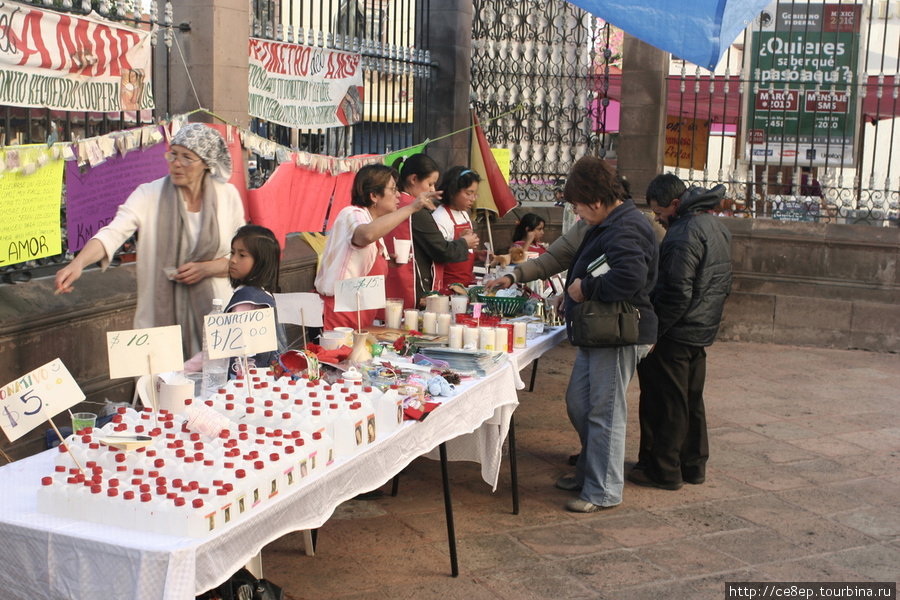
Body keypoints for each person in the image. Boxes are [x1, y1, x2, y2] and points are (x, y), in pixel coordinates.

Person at [54, 123, 245, 358]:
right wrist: (78, 263)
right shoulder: (149, 194)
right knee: (159, 388)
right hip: (158, 323)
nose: (176, 163)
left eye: (187, 158)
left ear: (206, 162)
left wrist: (206, 269)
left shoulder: (228, 198)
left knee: (215, 390)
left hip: (216, 323)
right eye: (173, 154)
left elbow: (242, 258)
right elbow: (113, 232)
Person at [554, 156, 658, 513]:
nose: (578, 213)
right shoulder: (613, 221)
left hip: (617, 331)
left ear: (596, 201)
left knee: (604, 411)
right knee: (581, 402)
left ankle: (603, 490)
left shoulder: (625, 227)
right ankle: (589, 471)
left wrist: (585, 289)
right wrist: (571, 292)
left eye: (579, 206)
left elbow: (629, 277)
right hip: (600, 329)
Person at [629, 175, 732, 491]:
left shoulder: (682, 234)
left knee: (667, 401)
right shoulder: (715, 226)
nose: (657, 218)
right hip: (699, 328)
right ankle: (693, 464)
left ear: (675, 204)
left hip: (676, 330)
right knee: (690, 398)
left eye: (659, 211)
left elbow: (676, 293)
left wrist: (655, 332)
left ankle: (663, 468)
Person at [315, 163, 440, 330]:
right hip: (339, 314)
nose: (398, 196)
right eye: (393, 190)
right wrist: (411, 207)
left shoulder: (372, 222)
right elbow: (365, 235)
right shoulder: (353, 213)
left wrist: (385, 263)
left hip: (361, 314)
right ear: (374, 195)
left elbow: (356, 262)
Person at [383, 154, 478, 309]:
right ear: (413, 179)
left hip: (392, 281)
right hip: (414, 285)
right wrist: (464, 243)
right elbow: (440, 249)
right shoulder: (416, 210)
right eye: (430, 184)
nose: (433, 190)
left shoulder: (396, 204)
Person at [224, 225, 288, 373]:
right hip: (262, 375)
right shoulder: (263, 294)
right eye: (232, 253)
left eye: (242, 255)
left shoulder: (247, 300)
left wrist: (186, 368)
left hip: (241, 377)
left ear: (260, 262)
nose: (233, 260)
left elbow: (227, 345)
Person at [431, 166, 481, 286]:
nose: (473, 199)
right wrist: (461, 242)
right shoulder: (440, 217)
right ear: (453, 192)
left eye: (475, 194)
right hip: (448, 285)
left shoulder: (463, 213)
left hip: (466, 282)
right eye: (469, 193)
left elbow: (465, 249)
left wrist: (478, 255)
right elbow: (441, 253)